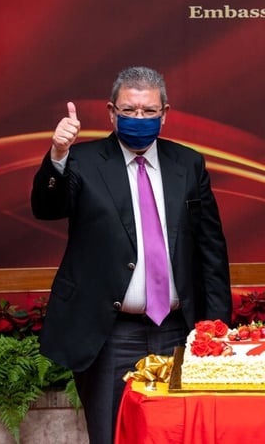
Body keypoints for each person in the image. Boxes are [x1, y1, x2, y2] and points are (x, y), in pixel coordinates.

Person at [30, 66, 231, 443]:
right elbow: (47, 206)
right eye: (129, 110)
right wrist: (58, 154)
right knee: (111, 433)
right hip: (109, 333)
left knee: (180, 434)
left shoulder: (188, 164)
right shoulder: (83, 161)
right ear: (111, 112)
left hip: (177, 329)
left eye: (149, 111)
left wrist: (215, 327)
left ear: (165, 113)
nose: (139, 118)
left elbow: (211, 249)